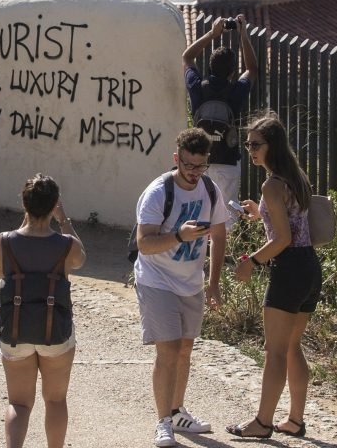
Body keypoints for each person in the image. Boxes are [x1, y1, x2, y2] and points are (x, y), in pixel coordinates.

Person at [224, 112, 322, 440]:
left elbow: (282, 239)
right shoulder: (294, 176)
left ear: (272, 145)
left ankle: (262, 423)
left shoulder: (271, 184)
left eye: (255, 144)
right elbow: (291, 222)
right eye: (247, 143)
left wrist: (250, 260)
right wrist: (260, 212)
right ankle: (294, 420)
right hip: (309, 267)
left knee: (275, 351)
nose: (249, 149)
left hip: (289, 268)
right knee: (292, 347)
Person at [133, 128, 228, 448]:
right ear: (176, 159)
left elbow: (218, 235)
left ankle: (177, 411)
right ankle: (163, 422)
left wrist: (213, 284)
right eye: (188, 165)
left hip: (191, 282)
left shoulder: (210, 190)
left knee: (186, 349)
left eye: (200, 166)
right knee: (169, 350)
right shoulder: (158, 193)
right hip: (156, 279)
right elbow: (144, 244)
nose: (194, 173)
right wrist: (178, 237)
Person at [0, 174, 86, 448]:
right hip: (54, 331)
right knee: (55, 400)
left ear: (24, 204)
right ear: (55, 203)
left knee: (18, 403)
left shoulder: (4, 242)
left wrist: (26, 221)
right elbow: (82, 259)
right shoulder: (67, 245)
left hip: (15, 331)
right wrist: (64, 220)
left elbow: (0, 272)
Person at [182, 15, 256, 209]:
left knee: (199, 210)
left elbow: (187, 57)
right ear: (232, 72)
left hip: (199, 159)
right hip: (228, 160)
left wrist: (212, 34)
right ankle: (228, 240)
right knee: (227, 212)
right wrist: (243, 34)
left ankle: (203, 241)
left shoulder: (197, 87)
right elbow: (252, 69)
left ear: (209, 67)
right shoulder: (236, 91)